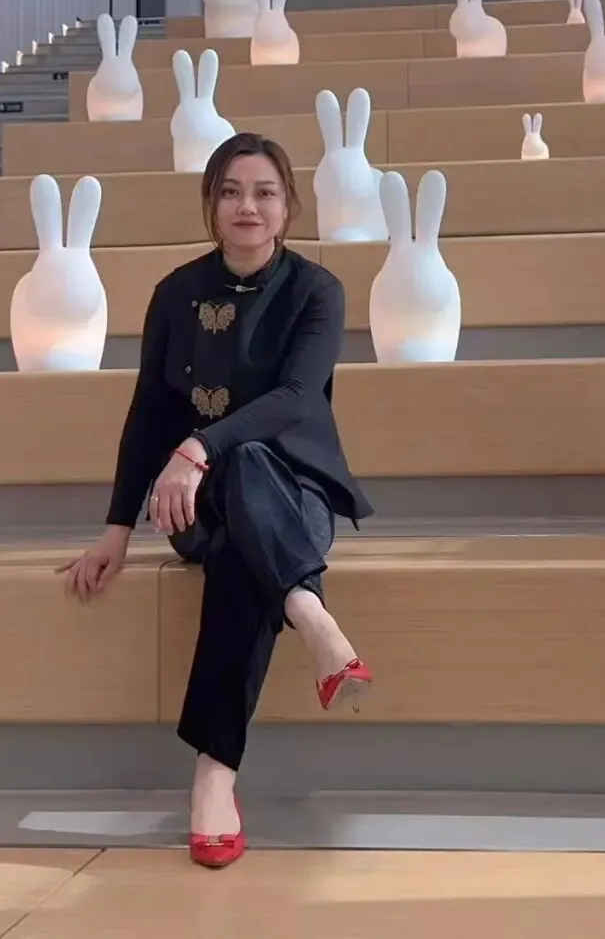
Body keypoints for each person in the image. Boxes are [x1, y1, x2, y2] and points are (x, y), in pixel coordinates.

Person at [60, 132, 373, 868]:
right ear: (210, 202)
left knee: (243, 505)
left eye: (264, 192)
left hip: (294, 499)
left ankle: (213, 776)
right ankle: (309, 612)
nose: (247, 207)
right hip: (194, 506)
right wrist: (116, 530)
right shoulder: (176, 293)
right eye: (231, 191)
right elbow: (148, 412)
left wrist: (199, 447)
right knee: (233, 504)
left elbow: (298, 396)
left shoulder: (316, 291)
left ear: (288, 206)